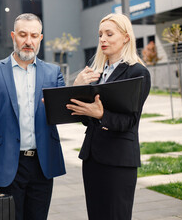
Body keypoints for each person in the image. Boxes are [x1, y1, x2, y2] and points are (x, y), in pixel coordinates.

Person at [0, 13, 66, 220]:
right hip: (5, 165)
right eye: (23, 35)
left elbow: (64, 111)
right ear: (13, 36)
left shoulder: (53, 73)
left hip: (42, 165)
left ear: (40, 38)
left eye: (34, 36)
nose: (28, 41)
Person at [66, 13, 151, 220]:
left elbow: (130, 121)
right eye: (100, 35)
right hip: (92, 158)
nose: (102, 39)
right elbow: (85, 116)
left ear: (126, 37)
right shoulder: (97, 73)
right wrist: (77, 87)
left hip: (119, 160)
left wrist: (101, 114)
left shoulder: (137, 72)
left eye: (109, 34)